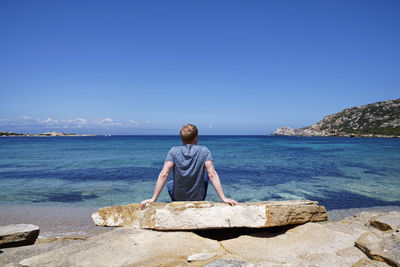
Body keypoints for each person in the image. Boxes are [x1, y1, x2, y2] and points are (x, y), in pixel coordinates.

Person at [141, 124, 238, 209]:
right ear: (196, 137)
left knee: (170, 183)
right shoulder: (204, 151)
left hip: (178, 198)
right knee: (205, 175)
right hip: (198, 198)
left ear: (181, 137)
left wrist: (153, 198)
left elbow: (164, 174)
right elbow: (212, 174)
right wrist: (223, 198)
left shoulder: (173, 151)